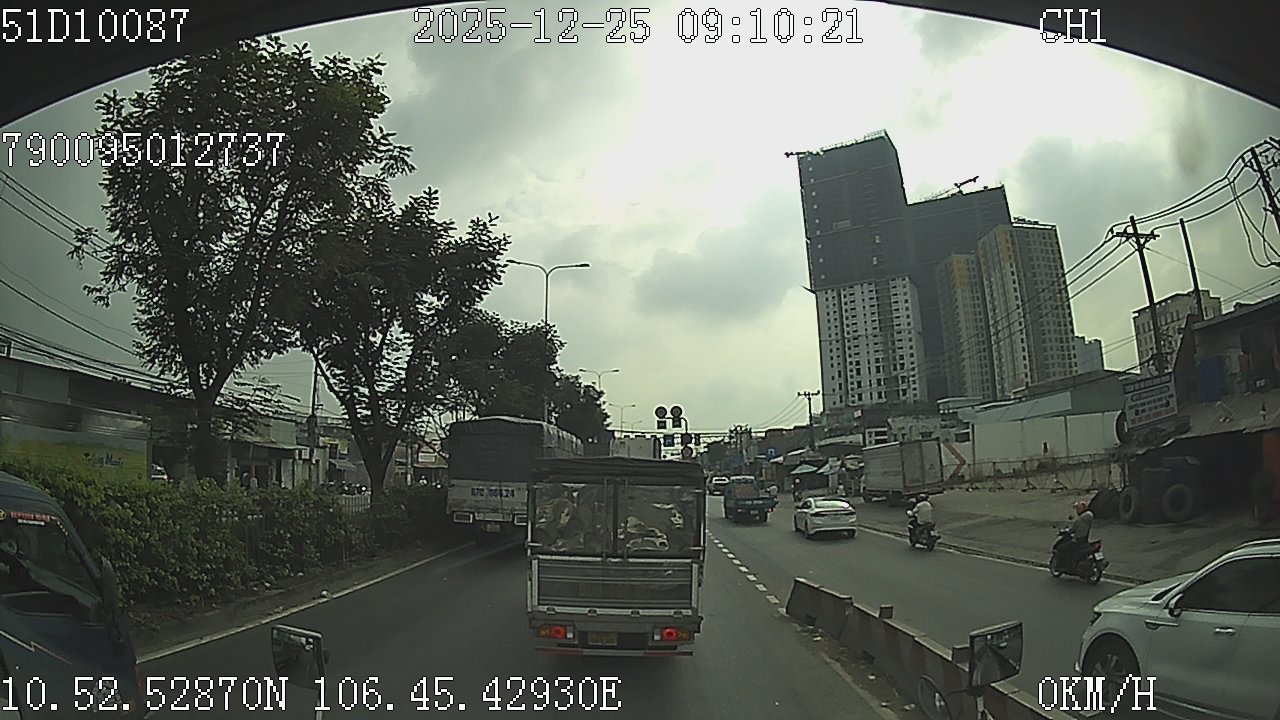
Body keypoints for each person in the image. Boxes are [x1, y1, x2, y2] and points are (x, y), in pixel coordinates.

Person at [1063, 500, 1094, 568]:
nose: (1077, 511)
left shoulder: (1080, 519)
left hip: (1078, 539)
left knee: (1064, 548)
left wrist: (1067, 530)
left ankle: (1070, 565)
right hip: (1085, 538)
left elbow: (1073, 529)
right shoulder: (1089, 517)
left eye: (1078, 509)